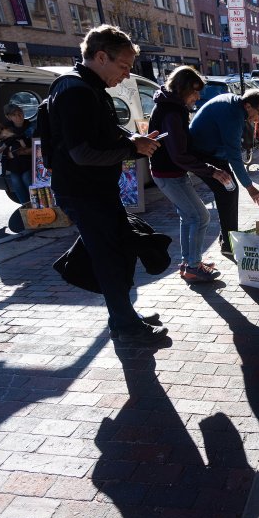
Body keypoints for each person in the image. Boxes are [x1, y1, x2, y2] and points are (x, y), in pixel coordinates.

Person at [49, 24, 166, 344]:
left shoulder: (87, 87)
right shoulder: (76, 91)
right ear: (101, 57)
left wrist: (135, 139)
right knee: (110, 258)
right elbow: (83, 153)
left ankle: (123, 316)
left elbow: (104, 133)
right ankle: (125, 325)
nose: (127, 75)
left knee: (114, 253)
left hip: (94, 190)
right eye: (124, 66)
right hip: (85, 192)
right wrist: (132, 148)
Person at [148, 66, 233, 283]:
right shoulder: (172, 112)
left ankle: (189, 263)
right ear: (182, 88)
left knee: (189, 216)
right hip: (169, 173)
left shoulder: (172, 107)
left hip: (169, 172)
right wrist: (211, 171)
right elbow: (179, 154)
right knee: (200, 217)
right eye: (195, 91)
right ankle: (193, 266)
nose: (197, 97)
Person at [188, 88, 259, 255]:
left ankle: (228, 237)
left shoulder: (236, 106)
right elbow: (235, 157)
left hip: (215, 152)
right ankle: (228, 243)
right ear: (248, 106)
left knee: (230, 189)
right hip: (201, 153)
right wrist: (250, 187)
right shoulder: (233, 115)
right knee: (227, 190)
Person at [0, 103, 34, 204]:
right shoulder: (6, 129)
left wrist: (18, 151)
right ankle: (25, 206)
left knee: (26, 178)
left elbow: (36, 146)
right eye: (14, 115)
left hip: (30, 162)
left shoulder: (31, 127)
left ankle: (37, 204)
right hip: (15, 164)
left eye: (20, 113)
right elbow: (4, 146)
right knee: (16, 181)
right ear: (8, 117)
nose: (18, 116)